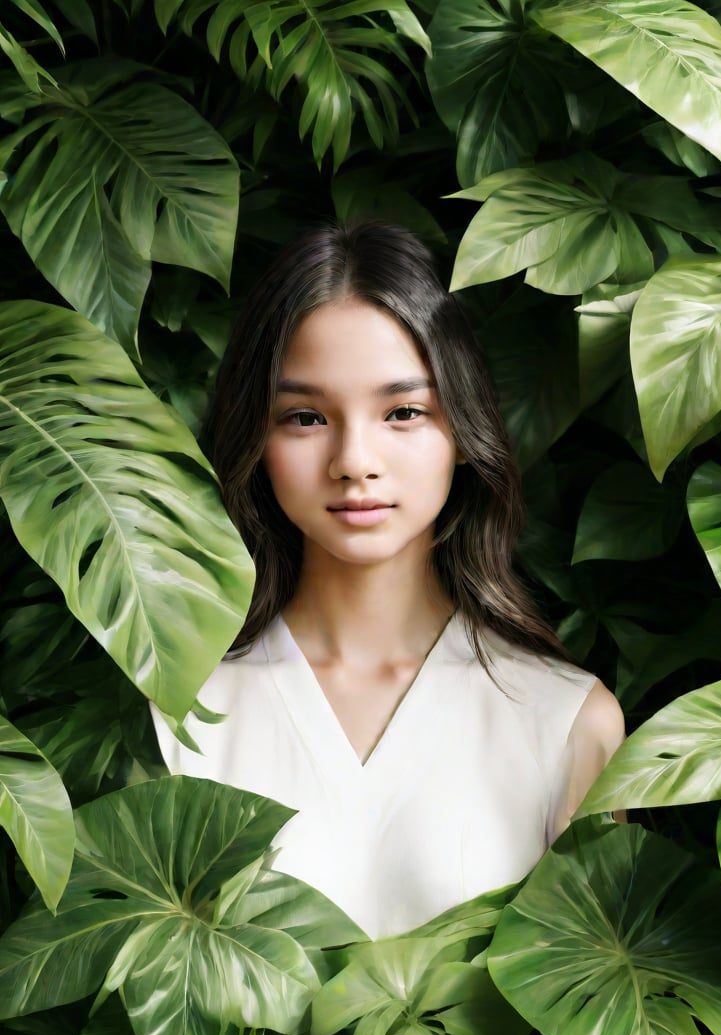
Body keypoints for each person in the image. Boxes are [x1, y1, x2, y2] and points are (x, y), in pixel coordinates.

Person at [152, 221, 624, 940]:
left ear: (463, 430)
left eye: (403, 412)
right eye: (306, 417)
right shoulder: (183, 711)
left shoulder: (566, 723)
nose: (354, 460)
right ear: (257, 437)